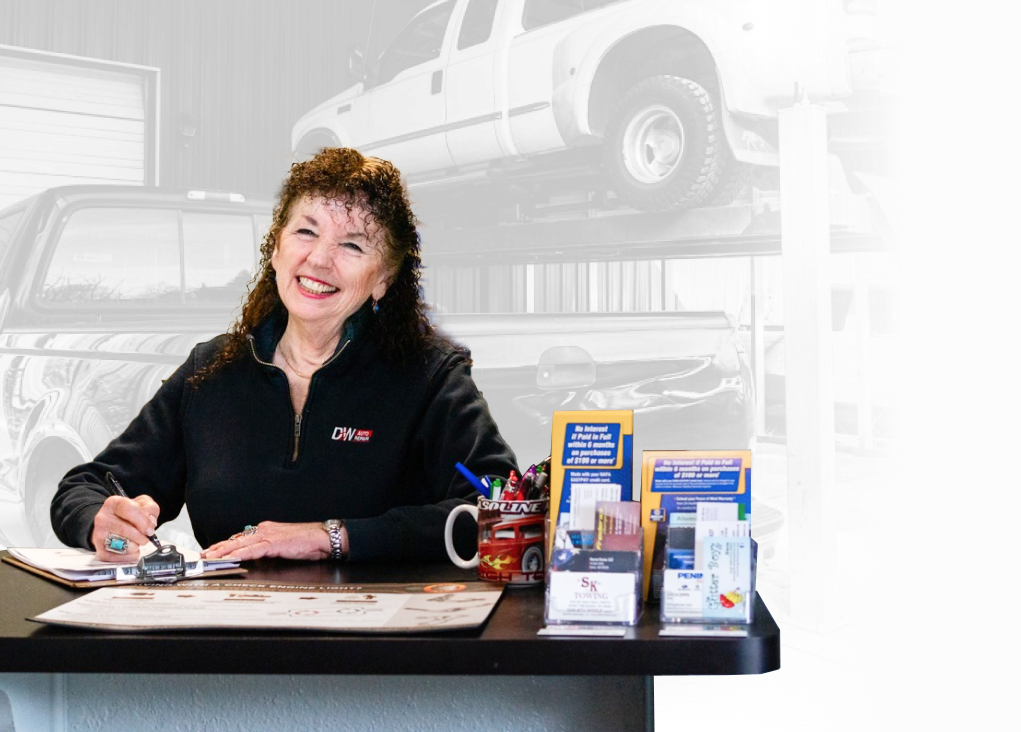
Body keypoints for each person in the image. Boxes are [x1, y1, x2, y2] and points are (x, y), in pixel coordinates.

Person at [51, 146, 517, 564]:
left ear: (383, 280)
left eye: (352, 245)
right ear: (276, 248)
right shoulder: (211, 373)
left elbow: (497, 507)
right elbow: (86, 486)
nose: (318, 259)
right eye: (306, 232)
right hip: (235, 642)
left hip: (375, 647)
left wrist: (334, 537)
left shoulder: (430, 377)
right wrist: (100, 519)